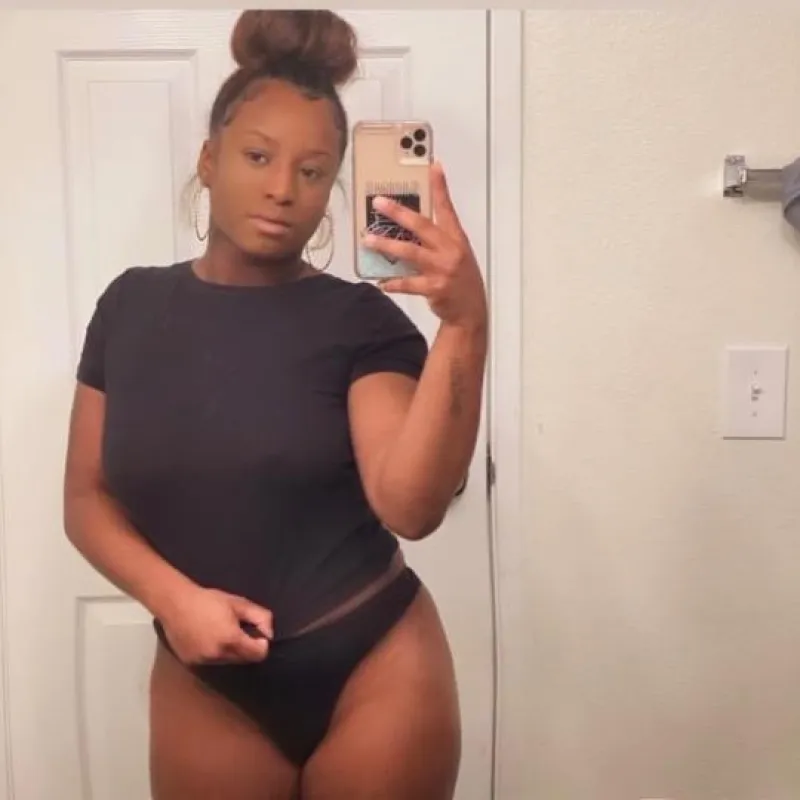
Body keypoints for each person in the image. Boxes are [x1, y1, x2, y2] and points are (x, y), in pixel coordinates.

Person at [63, 9, 487, 800]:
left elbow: (412, 507)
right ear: (210, 157)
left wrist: (465, 324)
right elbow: (86, 499)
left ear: (334, 187)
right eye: (258, 156)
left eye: (313, 171)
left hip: (375, 666)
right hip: (205, 679)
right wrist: (172, 601)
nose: (283, 188)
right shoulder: (128, 307)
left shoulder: (360, 321)